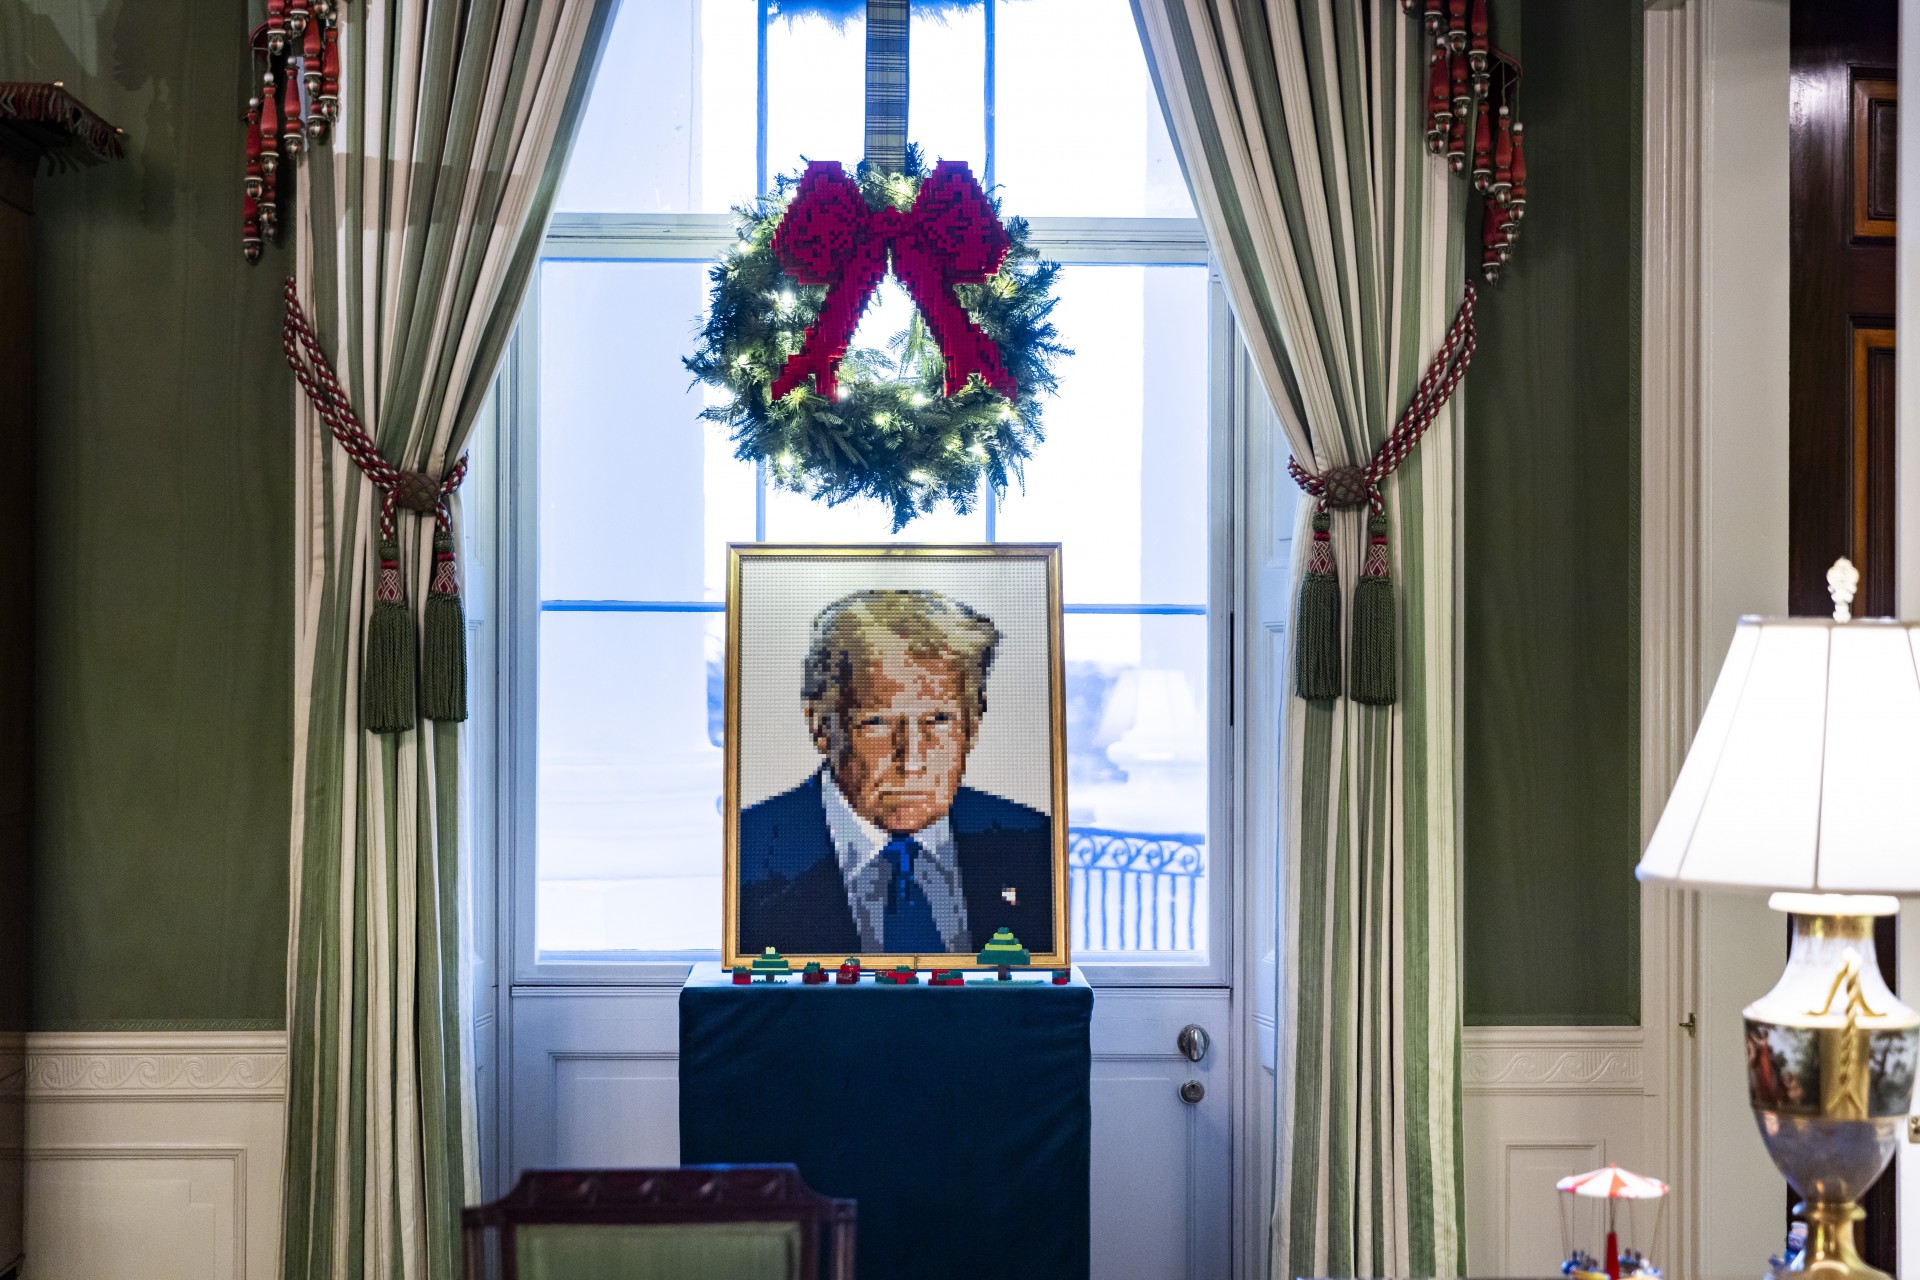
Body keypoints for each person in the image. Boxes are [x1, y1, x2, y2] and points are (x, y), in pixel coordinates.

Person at [737, 588, 1054, 956]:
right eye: (878, 722)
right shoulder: (748, 850)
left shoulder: (1033, 844)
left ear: (972, 725)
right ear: (821, 726)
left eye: (939, 720)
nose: (912, 759)